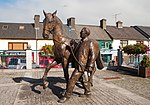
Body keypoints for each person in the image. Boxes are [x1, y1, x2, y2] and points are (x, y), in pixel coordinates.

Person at [58, 27, 100, 103]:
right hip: (78, 64)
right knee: (82, 79)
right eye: (81, 31)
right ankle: (87, 92)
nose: (80, 33)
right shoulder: (80, 42)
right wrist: (72, 44)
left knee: (72, 79)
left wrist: (90, 65)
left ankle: (67, 96)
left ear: (86, 33)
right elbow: (75, 52)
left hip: (83, 65)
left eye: (82, 32)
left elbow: (93, 55)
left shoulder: (90, 42)